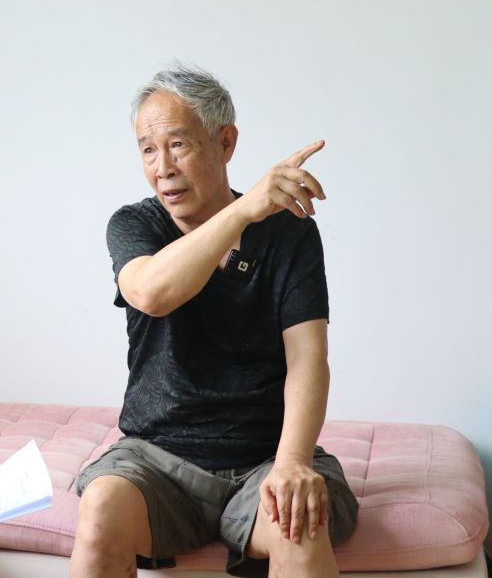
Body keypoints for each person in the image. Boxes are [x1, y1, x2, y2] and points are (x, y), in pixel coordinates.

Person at [69, 65, 359, 578]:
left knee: (300, 525)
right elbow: (152, 293)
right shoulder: (135, 224)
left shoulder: (287, 233)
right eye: (148, 150)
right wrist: (244, 211)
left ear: (225, 143)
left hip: (265, 457)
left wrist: (293, 463)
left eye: (178, 145)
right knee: (101, 508)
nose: (163, 168)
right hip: (157, 459)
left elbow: (308, 357)